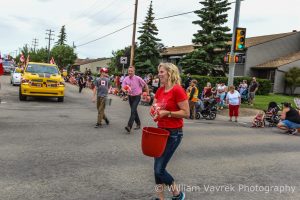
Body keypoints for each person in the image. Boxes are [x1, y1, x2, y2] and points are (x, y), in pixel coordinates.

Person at [150, 63, 189, 200]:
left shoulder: (178, 90)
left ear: (170, 73)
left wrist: (168, 113)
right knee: (157, 168)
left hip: (174, 133)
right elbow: (154, 105)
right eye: (158, 72)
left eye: (161, 72)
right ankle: (160, 198)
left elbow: (186, 113)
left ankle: (177, 194)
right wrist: (154, 111)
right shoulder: (160, 90)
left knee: (159, 169)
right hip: (160, 131)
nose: (159, 74)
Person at [122, 66, 149, 133]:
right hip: (130, 97)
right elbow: (122, 87)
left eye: (131, 71)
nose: (130, 72)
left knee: (133, 110)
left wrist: (147, 95)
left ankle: (129, 126)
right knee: (134, 111)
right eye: (129, 71)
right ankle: (138, 124)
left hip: (137, 96)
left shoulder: (138, 78)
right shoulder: (126, 79)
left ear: (134, 71)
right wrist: (125, 91)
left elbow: (145, 85)